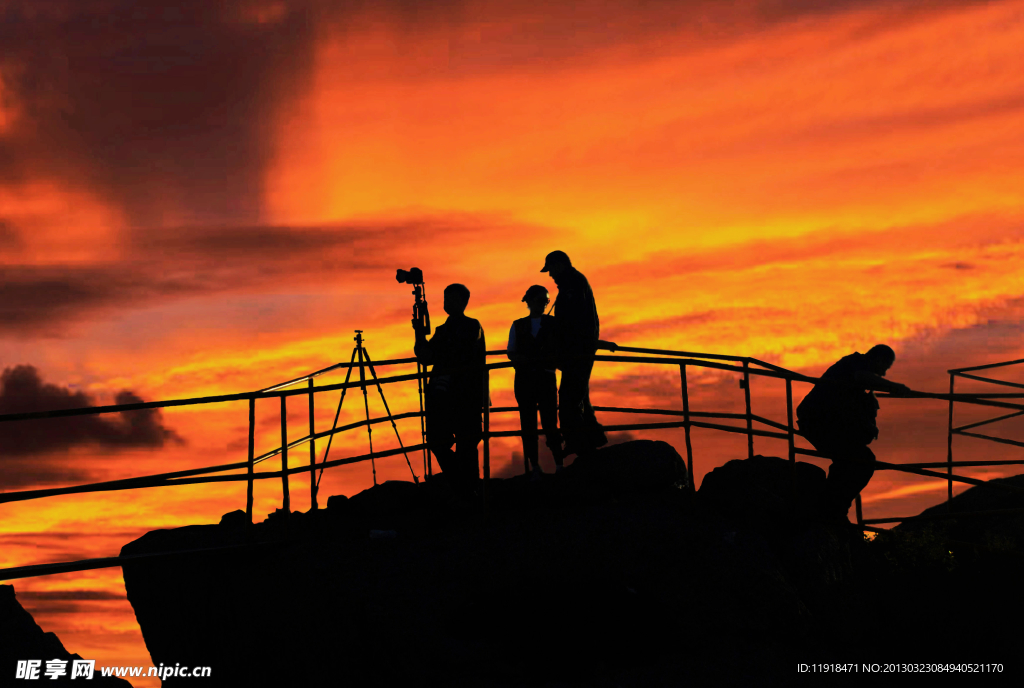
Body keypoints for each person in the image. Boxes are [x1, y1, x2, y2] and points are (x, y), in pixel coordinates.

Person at [796, 344, 911, 521]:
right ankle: (831, 508)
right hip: (818, 421)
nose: (883, 374)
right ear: (878, 359)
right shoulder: (854, 363)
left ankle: (833, 507)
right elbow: (861, 377)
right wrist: (894, 387)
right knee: (860, 460)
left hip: (825, 422)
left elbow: (852, 402)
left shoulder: (858, 384)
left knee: (855, 460)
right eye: (885, 368)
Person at [413, 284, 487, 493]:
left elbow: (454, 351)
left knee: (467, 444)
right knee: (437, 441)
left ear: (463, 302)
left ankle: (468, 489)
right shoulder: (443, 331)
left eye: (453, 299)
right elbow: (427, 357)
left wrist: (429, 345)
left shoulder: (472, 326)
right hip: (443, 395)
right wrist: (420, 335)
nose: (449, 303)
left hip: (466, 394)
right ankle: (464, 485)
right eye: (447, 299)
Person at [541, 250, 607, 458]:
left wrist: (560, 342)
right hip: (579, 350)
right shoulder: (574, 283)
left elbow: (572, 321)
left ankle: (580, 445)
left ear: (560, 265)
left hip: (577, 352)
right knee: (579, 397)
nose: (550, 275)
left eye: (551, 269)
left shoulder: (573, 284)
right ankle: (592, 439)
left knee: (569, 400)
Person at [508, 285, 564, 479]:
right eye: (541, 300)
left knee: (550, 422)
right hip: (526, 380)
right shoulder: (517, 325)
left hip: (544, 377)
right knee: (528, 424)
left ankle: (558, 464)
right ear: (530, 301)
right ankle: (536, 467)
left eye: (546, 301)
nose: (544, 304)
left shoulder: (555, 324)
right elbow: (511, 352)